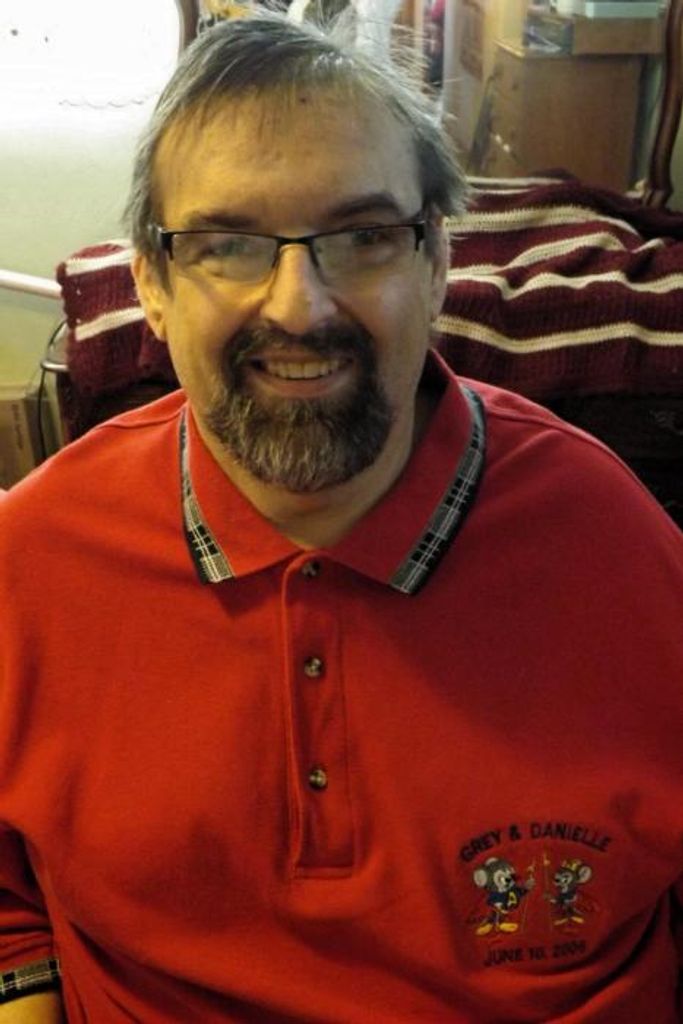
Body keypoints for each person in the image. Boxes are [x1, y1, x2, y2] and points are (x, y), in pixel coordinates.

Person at [0, 10, 682, 1024]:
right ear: (151, 282)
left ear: (434, 262)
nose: (299, 307)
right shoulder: (32, 558)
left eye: (363, 238)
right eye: (229, 244)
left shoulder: (616, 549)